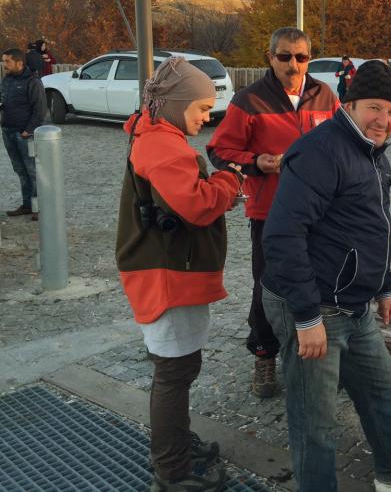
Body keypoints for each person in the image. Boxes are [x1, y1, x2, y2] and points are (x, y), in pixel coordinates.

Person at [261, 61, 391, 492]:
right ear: (349, 104)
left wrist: (382, 287)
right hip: (311, 304)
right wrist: (307, 318)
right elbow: (283, 235)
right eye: (375, 108)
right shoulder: (320, 151)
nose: (384, 120)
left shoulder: (372, 153)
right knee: (316, 420)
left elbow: (374, 225)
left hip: (355, 305)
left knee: (382, 390)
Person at [116, 56, 244, 492]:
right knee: (174, 371)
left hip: (167, 270)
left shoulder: (153, 133)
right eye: (202, 108)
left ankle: (175, 444)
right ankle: (172, 468)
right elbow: (195, 204)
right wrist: (230, 183)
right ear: (176, 105)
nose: (208, 116)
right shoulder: (162, 145)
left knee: (175, 368)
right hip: (167, 276)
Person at [207, 27, 338, 399]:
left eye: (301, 57)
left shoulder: (325, 95)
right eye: (284, 56)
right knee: (269, 286)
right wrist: (257, 162)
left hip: (320, 211)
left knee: (322, 281)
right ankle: (264, 355)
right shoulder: (250, 100)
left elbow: (342, 141)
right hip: (271, 212)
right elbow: (218, 150)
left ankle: (322, 353)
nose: (293, 65)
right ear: (270, 58)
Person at [1, 48, 47, 221]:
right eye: (3, 61)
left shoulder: (32, 82)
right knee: (20, 170)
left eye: (7, 61)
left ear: (19, 63)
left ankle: (39, 207)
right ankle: (27, 205)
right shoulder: (7, 80)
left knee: (32, 170)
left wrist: (28, 131)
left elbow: (40, 110)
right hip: (8, 132)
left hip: (25, 135)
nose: (4, 65)